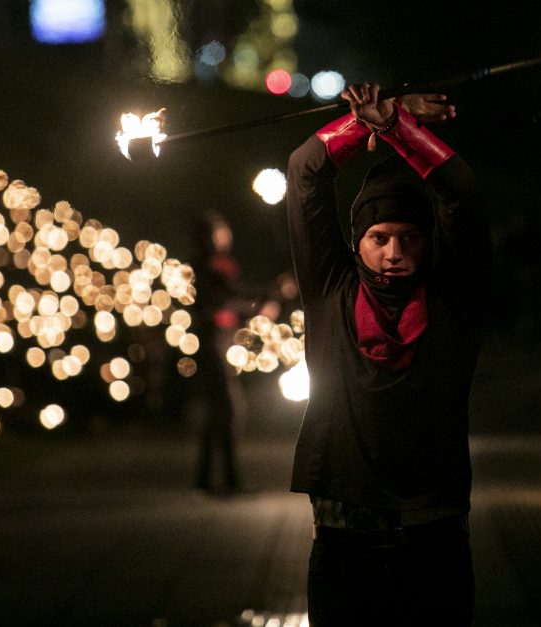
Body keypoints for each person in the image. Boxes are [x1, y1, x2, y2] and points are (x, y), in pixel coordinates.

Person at [285, 82, 491, 625]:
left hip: (435, 532)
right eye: (379, 237)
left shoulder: (454, 298)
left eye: (409, 237)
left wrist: (400, 128)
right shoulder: (332, 290)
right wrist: (374, 121)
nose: (395, 253)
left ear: (429, 242)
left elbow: (460, 193)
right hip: (343, 534)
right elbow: (305, 170)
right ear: (357, 243)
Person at [187, 211, 278, 494]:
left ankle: (208, 480)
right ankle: (226, 481)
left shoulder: (217, 266)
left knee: (220, 412)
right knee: (227, 410)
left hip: (222, 342)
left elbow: (233, 296)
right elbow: (225, 298)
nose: (226, 235)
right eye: (221, 230)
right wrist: (260, 301)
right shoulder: (205, 267)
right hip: (212, 343)